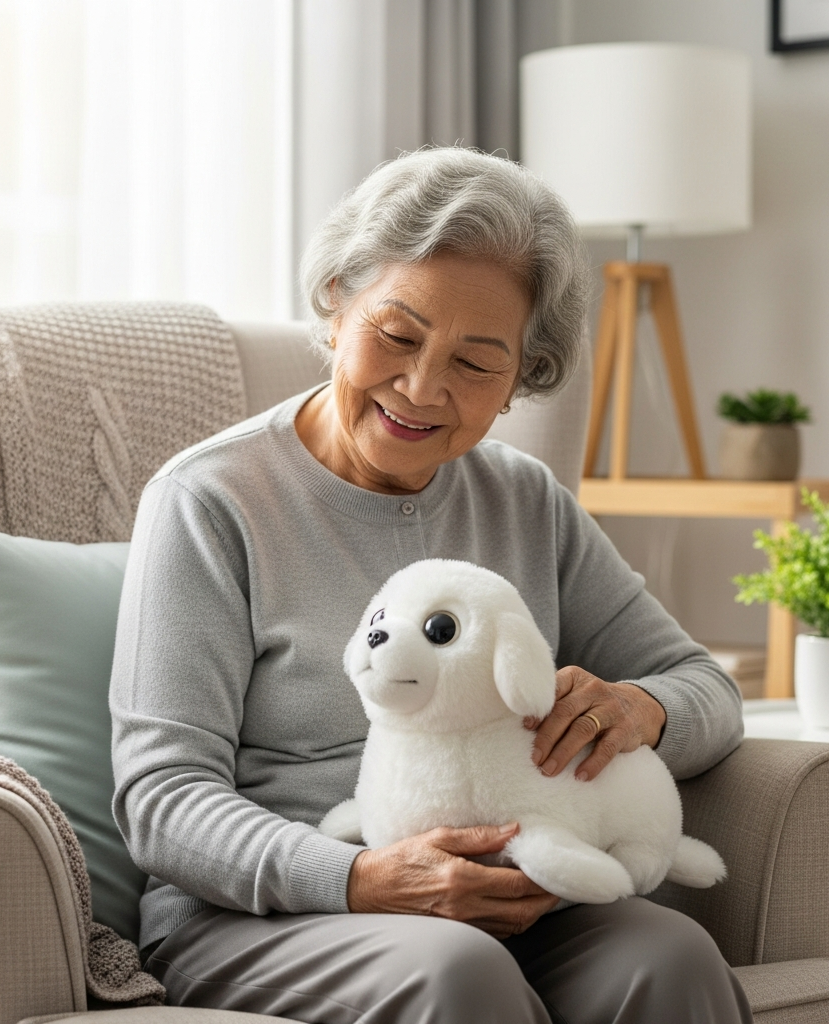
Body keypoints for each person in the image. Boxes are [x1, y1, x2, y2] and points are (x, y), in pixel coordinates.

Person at [110, 147, 751, 1024]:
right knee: (457, 974)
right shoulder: (208, 501)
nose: (420, 388)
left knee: (669, 954)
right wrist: (360, 877)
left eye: (476, 363)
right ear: (337, 302)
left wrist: (640, 710)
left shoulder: (525, 501)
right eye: (398, 335)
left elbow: (705, 687)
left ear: (521, 382)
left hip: (509, 903)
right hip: (262, 914)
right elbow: (162, 800)